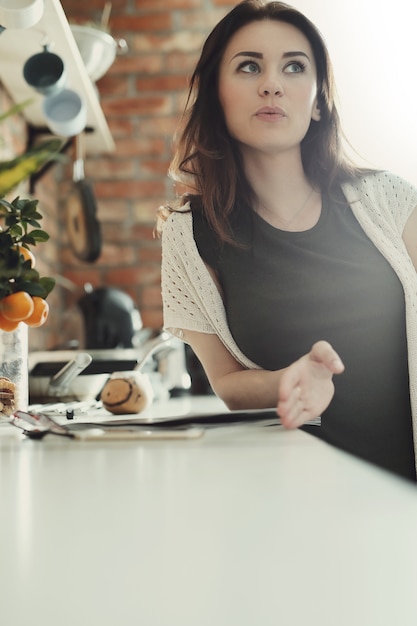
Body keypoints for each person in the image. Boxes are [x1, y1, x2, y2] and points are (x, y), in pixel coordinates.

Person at [157, 0, 417, 482]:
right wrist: (288, 381)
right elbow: (228, 382)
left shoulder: (391, 200)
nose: (271, 83)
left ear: (318, 100)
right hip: (289, 501)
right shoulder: (188, 235)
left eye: (294, 67)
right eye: (249, 66)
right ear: (217, 94)